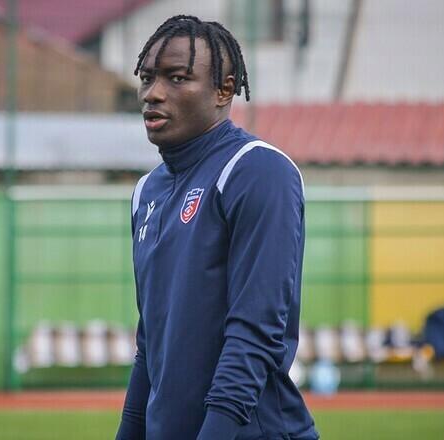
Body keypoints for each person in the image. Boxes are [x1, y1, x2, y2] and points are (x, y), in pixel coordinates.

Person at [116, 15, 318, 440]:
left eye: (177, 78)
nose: (153, 93)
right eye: (147, 78)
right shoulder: (146, 192)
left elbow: (254, 335)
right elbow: (151, 346)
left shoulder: (256, 170)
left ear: (224, 90)